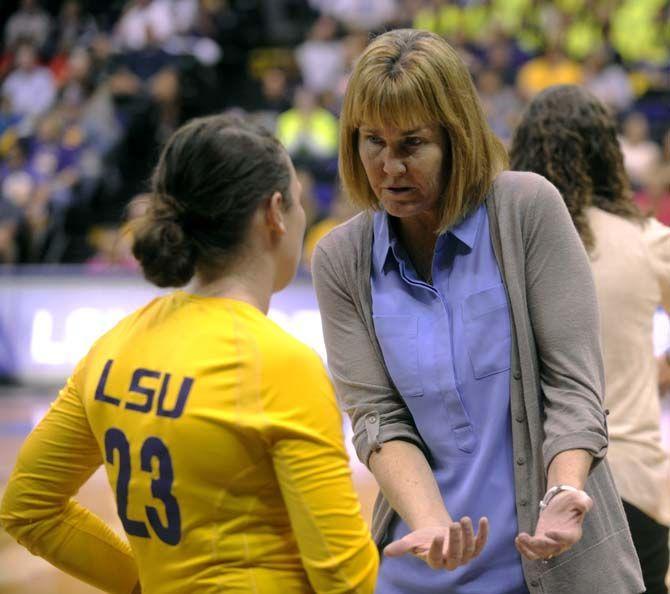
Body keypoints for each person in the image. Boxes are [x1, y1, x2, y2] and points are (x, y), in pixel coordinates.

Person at [311, 29, 644, 594]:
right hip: (420, 568)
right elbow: (375, 418)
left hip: (557, 565)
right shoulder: (339, 259)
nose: (389, 167)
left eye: (412, 144)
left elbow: (573, 385)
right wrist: (432, 525)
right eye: (373, 142)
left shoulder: (527, 209)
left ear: (457, 137)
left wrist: (564, 490)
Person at [0, 114, 378, 594]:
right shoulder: (282, 365)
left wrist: (142, 583)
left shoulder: (116, 344)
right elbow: (346, 581)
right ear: (275, 212)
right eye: (300, 203)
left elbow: (27, 508)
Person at [510, 84, 670, 594]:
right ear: (608, 155)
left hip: (533, 489)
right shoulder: (648, 241)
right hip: (635, 480)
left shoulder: (507, 249)